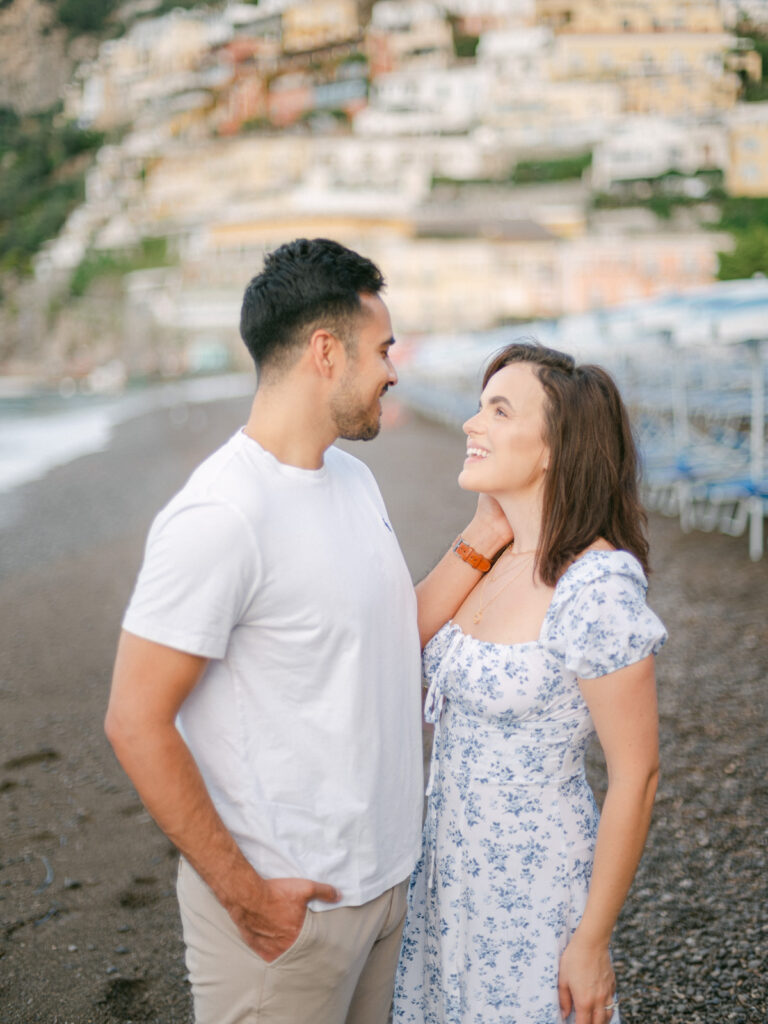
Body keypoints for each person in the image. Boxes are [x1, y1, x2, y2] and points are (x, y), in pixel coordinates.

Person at [105, 238, 424, 1024]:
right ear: (326, 351)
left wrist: (497, 534)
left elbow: (383, 631)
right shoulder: (221, 514)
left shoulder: (353, 477)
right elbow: (134, 721)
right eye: (382, 349)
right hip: (290, 915)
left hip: (384, 889)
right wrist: (249, 900)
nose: (393, 369)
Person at [393, 342, 667, 1024]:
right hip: (452, 874)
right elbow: (400, 641)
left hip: (533, 885)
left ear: (553, 448)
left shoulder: (596, 587)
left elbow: (637, 775)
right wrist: (483, 530)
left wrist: (593, 939)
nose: (470, 424)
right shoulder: (499, 554)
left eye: (498, 410)